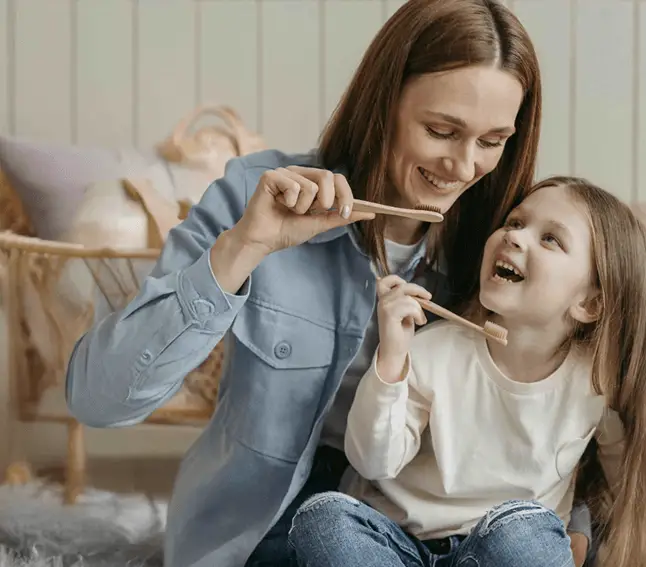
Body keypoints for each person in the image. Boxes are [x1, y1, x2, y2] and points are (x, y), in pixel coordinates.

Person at [61, 1, 572, 566]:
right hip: (262, 529)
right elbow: (97, 400)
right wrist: (244, 248)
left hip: (435, 529)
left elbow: (575, 407)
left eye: (493, 141)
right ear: (384, 102)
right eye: (441, 131)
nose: (463, 165)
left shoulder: (505, 248)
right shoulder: (254, 195)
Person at [286, 176, 646, 567]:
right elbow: (373, 463)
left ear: (589, 304)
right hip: (399, 543)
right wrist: (392, 359)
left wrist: (580, 533)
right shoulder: (431, 351)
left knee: (528, 533)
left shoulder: (595, 384)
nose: (514, 236)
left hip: (501, 546)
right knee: (324, 519)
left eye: (550, 239)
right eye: (515, 222)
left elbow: (628, 481)